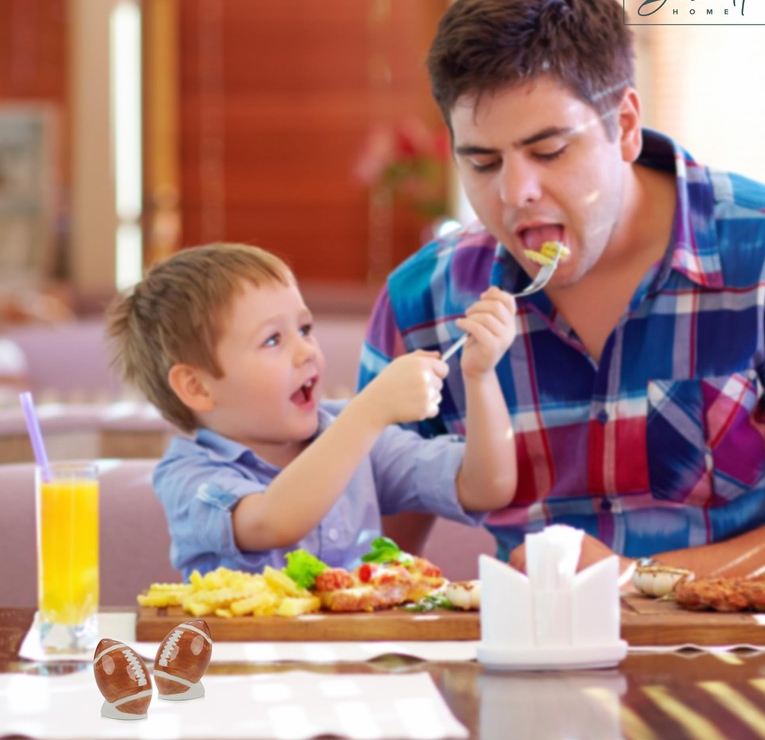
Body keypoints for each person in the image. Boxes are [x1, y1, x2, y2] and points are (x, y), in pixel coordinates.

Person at [358, 0, 765, 581]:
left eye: (549, 151)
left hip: (740, 664)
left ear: (624, 126)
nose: (515, 194)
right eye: (482, 162)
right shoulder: (423, 303)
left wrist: (632, 577)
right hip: (517, 663)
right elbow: (367, 550)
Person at [106, 242, 517, 580]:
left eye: (304, 329)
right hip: (244, 671)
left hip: (362, 663)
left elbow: (486, 487)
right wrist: (369, 411)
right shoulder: (189, 476)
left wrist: (480, 377)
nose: (306, 351)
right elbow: (272, 521)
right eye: (272, 341)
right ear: (196, 387)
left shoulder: (351, 433)